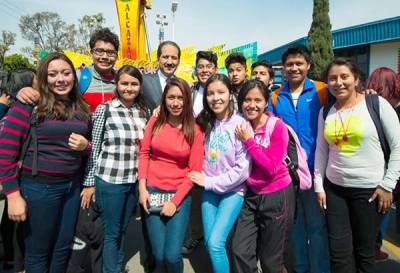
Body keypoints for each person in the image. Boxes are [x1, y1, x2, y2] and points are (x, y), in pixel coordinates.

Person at [0, 52, 91, 273]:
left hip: (71, 187)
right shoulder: (29, 105)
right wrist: (12, 195)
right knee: (38, 253)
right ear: (43, 78)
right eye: (53, 74)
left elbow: (88, 148)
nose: (60, 79)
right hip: (40, 188)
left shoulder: (80, 107)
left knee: (61, 249)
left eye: (66, 73)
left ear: (74, 76)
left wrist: (85, 146)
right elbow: (5, 152)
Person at [314, 58, 400, 273]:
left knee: (364, 252)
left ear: (356, 79)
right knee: (339, 253)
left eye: (344, 76)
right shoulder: (325, 112)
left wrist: (388, 185)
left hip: (370, 192)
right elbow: (322, 151)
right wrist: (319, 186)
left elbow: (398, 146)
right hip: (335, 191)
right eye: (332, 78)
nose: (338, 82)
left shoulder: (376, 104)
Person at [268, 44, 330, 273]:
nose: (294, 68)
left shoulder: (323, 90)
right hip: (289, 174)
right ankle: (301, 268)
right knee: (295, 227)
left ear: (308, 65)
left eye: (299, 63)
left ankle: (320, 269)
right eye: (289, 64)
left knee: (316, 226)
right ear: (283, 68)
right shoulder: (275, 96)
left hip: (317, 171)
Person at [81, 65, 149, 273]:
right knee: (111, 232)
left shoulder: (143, 111)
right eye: (124, 83)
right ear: (117, 85)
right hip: (110, 180)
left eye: (134, 84)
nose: (129, 88)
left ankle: (117, 266)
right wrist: (89, 182)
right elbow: (95, 147)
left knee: (123, 229)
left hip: (133, 181)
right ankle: (111, 269)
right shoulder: (105, 109)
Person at [138, 77, 204, 273]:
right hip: (151, 191)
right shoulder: (155, 121)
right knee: (158, 255)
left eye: (180, 98)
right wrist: (142, 189)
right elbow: (144, 154)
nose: (176, 103)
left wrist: (175, 202)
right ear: (164, 99)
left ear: (187, 100)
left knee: (172, 255)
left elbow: (194, 172)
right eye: (171, 97)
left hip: (179, 194)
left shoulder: (195, 130)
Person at [231, 79, 295, 273]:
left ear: (266, 102)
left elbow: (271, 167)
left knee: (271, 260)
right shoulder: (240, 124)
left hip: (277, 195)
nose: (252, 105)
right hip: (251, 196)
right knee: (240, 251)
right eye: (247, 100)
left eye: (257, 100)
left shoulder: (276, 126)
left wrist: (249, 141)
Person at [189, 73, 250, 273]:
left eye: (221, 92)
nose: (216, 98)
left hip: (233, 191)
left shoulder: (240, 123)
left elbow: (243, 170)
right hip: (209, 191)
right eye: (210, 93)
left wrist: (209, 182)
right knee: (210, 242)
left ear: (230, 93)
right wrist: (157, 112)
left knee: (215, 242)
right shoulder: (204, 121)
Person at [181, 50, 218, 256]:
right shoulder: (191, 91)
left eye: (208, 67)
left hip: (216, 154)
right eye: (201, 67)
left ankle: (216, 239)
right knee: (195, 196)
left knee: (215, 195)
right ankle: (196, 235)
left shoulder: (222, 90)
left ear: (215, 69)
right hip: (193, 153)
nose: (204, 70)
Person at [0, 68, 36, 273]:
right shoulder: (20, 111)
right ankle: (15, 262)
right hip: (17, 179)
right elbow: (5, 155)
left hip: (17, 179)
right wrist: (12, 192)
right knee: (16, 223)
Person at [365, 67, 400, 261]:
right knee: (385, 207)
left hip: (381, 170)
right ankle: (374, 247)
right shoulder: (389, 106)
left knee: (379, 209)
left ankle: (373, 246)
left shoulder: (371, 105)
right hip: (392, 170)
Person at [142, 41, 181, 112]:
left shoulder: (182, 85)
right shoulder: (144, 81)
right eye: (165, 57)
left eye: (174, 58)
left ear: (178, 61)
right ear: (158, 58)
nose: (169, 62)